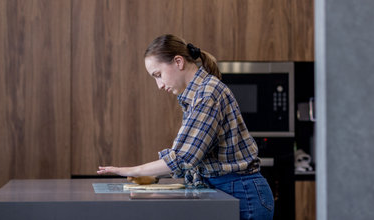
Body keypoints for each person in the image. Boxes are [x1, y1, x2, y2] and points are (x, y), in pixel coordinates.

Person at [97, 34, 274, 220]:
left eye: (158, 75)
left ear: (178, 62)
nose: (159, 85)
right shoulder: (197, 95)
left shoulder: (207, 94)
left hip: (242, 194)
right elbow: (191, 159)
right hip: (229, 190)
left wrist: (130, 170)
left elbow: (183, 157)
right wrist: (154, 180)